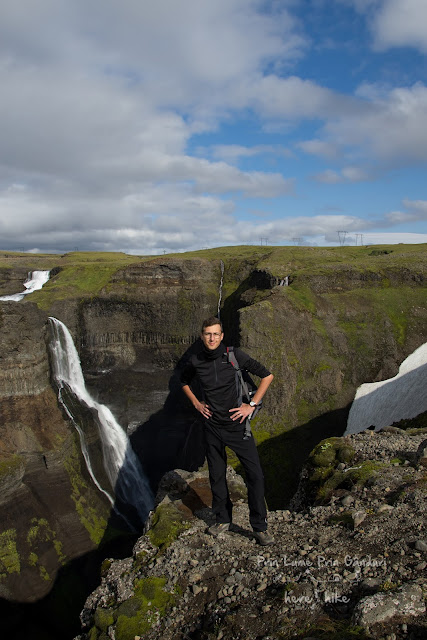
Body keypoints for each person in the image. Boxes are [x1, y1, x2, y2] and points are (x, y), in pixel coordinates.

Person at [181, 316, 274, 545]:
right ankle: (222, 519)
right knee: (216, 475)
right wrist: (197, 404)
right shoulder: (196, 360)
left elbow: (267, 376)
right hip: (212, 426)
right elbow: (183, 381)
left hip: (237, 427)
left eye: (215, 334)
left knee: (255, 475)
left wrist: (250, 406)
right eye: (207, 334)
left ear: (221, 336)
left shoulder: (234, 356)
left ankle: (259, 526)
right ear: (202, 336)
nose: (211, 338)